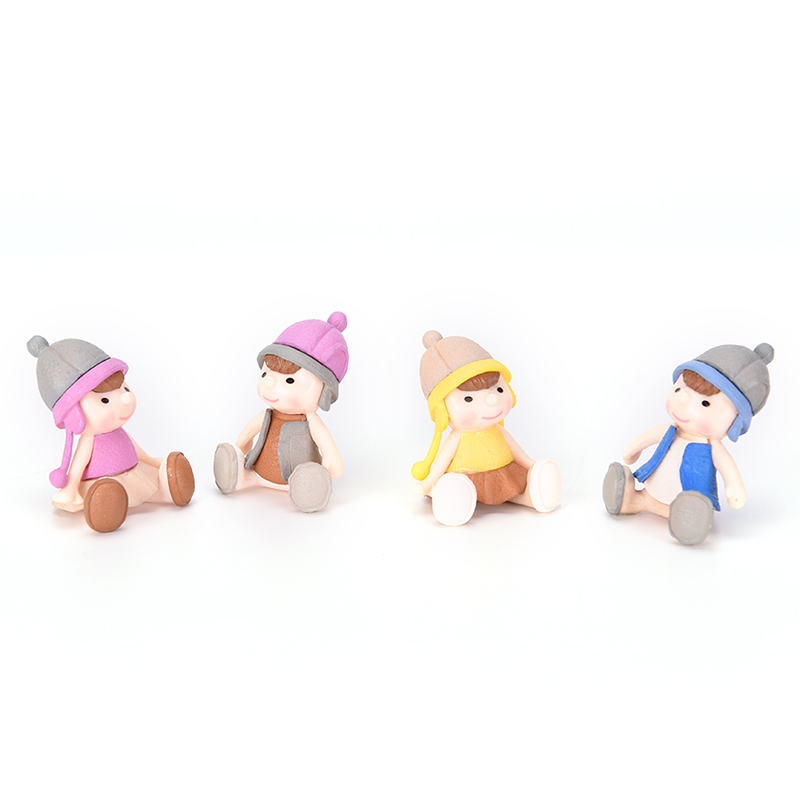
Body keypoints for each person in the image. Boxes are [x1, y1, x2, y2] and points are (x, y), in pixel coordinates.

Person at [603, 343, 774, 544]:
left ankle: (689, 521)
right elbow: (646, 439)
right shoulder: (670, 431)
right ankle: (631, 500)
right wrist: (632, 450)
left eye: (705, 403)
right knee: (642, 498)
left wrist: (734, 486)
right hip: (651, 492)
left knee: (690, 507)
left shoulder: (712, 447)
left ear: (735, 422)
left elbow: (727, 466)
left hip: (687, 501)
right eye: (678, 389)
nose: (682, 402)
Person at [28, 336, 194, 533]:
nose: (126, 398)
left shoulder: (119, 432)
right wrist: (71, 487)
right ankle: (105, 507)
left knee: (150, 486)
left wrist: (152, 462)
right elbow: (79, 462)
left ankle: (171, 490)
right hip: (101, 483)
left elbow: (136, 450)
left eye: (125, 388)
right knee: (107, 492)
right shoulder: (89, 440)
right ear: (75, 416)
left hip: (133, 472)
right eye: (105, 400)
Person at [413, 330, 561, 526]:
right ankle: (454, 500)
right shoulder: (458, 437)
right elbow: (443, 460)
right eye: (468, 399)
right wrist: (431, 480)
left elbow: (516, 452)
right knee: (456, 486)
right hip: (463, 477)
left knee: (515, 485)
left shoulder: (498, 431)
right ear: (442, 410)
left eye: (498, 389)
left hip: (502, 471)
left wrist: (531, 464)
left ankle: (534, 496)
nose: (492, 400)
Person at [213, 312, 348, 513]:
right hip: (258, 474)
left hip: (296, 480)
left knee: (305, 482)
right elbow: (246, 435)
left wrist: (330, 465)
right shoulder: (267, 415)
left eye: (289, 380)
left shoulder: (311, 421)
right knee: (243, 473)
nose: (269, 383)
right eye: (265, 373)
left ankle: (309, 489)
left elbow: (329, 452)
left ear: (323, 394)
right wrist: (239, 448)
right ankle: (238, 475)